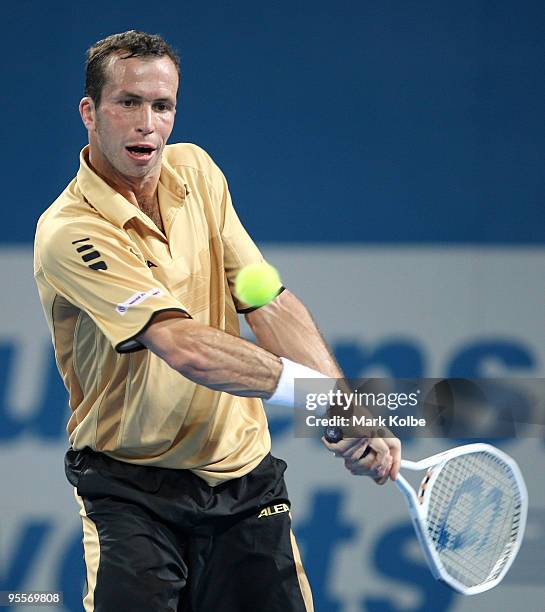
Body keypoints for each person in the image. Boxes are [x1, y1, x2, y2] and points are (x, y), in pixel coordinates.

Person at [34, 30, 401, 612]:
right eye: (127, 103)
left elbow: (265, 300)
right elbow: (183, 346)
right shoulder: (70, 233)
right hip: (133, 494)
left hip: (246, 483)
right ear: (89, 112)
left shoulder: (197, 171)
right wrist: (315, 396)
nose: (146, 124)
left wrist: (343, 401)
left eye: (162, 106)